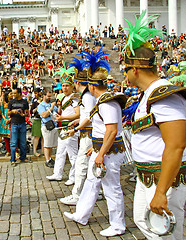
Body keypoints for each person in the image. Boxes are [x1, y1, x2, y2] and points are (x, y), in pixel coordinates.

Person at [123, 11, 186, 239]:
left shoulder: (165, 96)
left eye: (126, 69)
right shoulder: (151, 93)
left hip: (164, 178)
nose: (125, 74)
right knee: (142, 220)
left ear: (135, 69)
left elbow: (176, 146)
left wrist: (161, 191)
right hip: (148, 175)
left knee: (164, 233)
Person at [63, 47, 126, 237]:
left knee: (111, 188)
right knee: (91, 182)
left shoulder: (107, 103)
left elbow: (112, 130)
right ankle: (81, 214)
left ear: (91, 86)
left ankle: (118, 224)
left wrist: (101, 153)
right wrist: (95, 149)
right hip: (100, 149)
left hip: (109, 152)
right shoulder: (102, 101)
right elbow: (99, 127)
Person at [60, 58, 97, 206]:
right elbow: (85, 116)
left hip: (88, 134)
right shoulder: (86, 96)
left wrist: (75, 128)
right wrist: (77, 122)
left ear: (76, 82)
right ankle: (94, 192)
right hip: (86, 133)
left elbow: (89, 118)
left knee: (82, 164)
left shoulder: (87, 96)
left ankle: (78, 194)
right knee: (87, 165)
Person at [46, 67, 80, 186]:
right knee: (60, 152)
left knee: (72, 155)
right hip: (62, 129)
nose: (65, 88)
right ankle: (57, 173)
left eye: (67, 86)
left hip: (71, 129)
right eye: (63, 85)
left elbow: (78, 114)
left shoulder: (74, 98)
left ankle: (74, 177)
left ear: (72, 86)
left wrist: (63, 118)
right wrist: (59, 114)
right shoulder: (64, 98)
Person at [7, 88, 29, 166]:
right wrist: (12, 111)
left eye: (15, 93)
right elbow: (7, 113)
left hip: (22, 123)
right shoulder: (11, 102)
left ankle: (23, 157)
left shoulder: (24, 102)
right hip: (14, 124)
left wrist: (23, 114)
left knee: (23, 142)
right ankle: (13, 159)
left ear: (19, 93)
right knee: (13, 142)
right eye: (12, 93)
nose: (13, 95)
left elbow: (27, 113)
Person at [37, 89, 58, 168]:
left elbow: (57, 112)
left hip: (54, 125)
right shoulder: (41, 105)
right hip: (47, 126)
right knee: (47, 144)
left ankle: (50, 158)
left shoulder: (51, 104)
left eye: (50, 96)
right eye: (48, 96)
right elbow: (44, 115)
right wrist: (51, 108)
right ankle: (47, 159)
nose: (49, 98)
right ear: (43, 96)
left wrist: (58, 105)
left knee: (51, 144)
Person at [30, 88, 43, 157]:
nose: (36, 95)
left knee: (43, 137)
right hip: (37, 119)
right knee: (37, 136)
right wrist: (37, 107)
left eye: (36, 93)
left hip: (44, 120)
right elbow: (31, 111)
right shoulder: (34, 102)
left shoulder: (44, 102)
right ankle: (34, 151)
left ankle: (43, 151)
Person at [0, 90, 12, 156]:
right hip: (5, 121)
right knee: (6, 138)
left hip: (12, 120)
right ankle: (8, 151)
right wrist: (5, 119)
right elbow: (2, 112)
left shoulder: (13, 102)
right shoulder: (3, 102)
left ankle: (15, 151)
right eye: (10, 93)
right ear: (7, 95)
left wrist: (10, 119)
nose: (12, 94)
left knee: (13, 137)